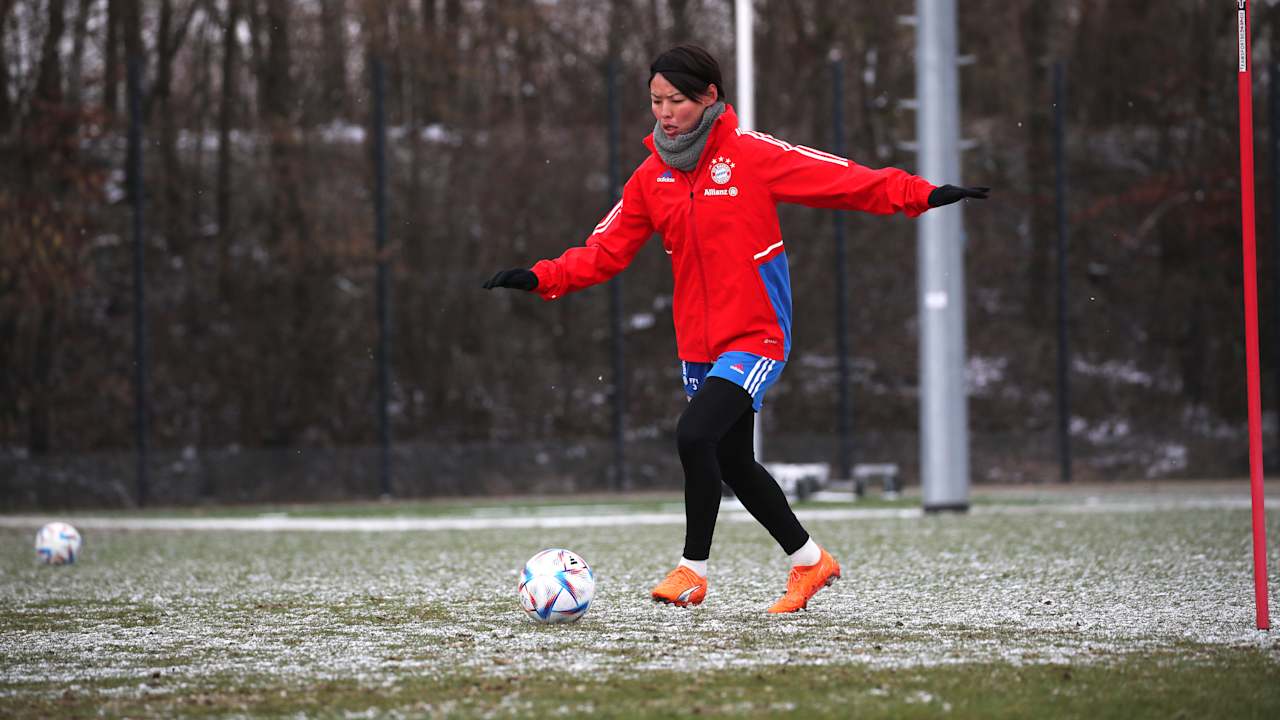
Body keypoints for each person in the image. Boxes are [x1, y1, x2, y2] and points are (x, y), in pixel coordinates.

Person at [485, 45, 988, 613]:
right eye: (656, 101)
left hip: (756, 333)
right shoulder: (651, 177)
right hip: (697, 344)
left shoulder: (750, 154)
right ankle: (810, 562)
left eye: (677, 100)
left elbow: (843, 180)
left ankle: (691, 571)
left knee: (693, 435)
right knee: (732, 461)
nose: (665, 112)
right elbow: (605, 250)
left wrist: (921, 193)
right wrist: (541, 277)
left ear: (710, 97)